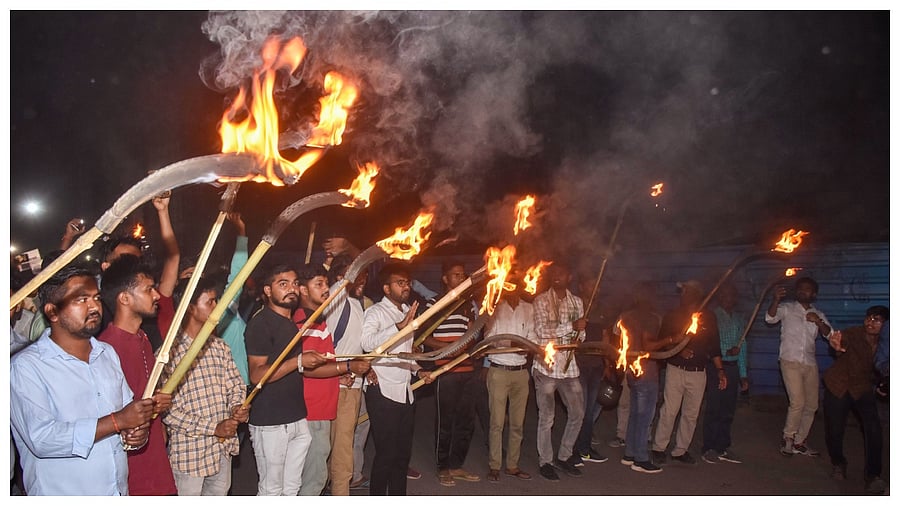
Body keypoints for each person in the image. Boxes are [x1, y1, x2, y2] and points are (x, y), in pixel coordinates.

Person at [10, 265, 155, 495]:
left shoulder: (106, 354)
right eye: (81, 299)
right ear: (52, 312)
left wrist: (136, 433)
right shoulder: (26, 367)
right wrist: (117, 422)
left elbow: (128, 413)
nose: (94, 306)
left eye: (96, 297)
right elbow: (42, 438)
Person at [243, 263, 329, 496]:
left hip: (297, 417)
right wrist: (299, 362)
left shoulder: (291, 323)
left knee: (292, 488)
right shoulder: (260, 323)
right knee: (271, 490)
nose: (291, 289)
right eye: (283, 284)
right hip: (271, 421)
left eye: (294, 283)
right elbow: (257, 374)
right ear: (268, 290)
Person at [162, 276, 250, 495]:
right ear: (191, 308)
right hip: (190, 454)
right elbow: (168, 412)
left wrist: (236, 407)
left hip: (221, 447)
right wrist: (214, 428)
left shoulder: (220, 347)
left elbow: (236, 385)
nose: (216, 306)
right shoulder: (170, 355)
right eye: (210, 301)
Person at [98, 254, 177, 495]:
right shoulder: (106, 349)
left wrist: (158, 404)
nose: (156, 296)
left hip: (155, 460)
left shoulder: (143, 339)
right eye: (149, 289)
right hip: (132, 472)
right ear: (124, 298)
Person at [294, 263, 371, 496]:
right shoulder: (309, 319)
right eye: (319, 284)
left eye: (326, 284)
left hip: (329, 397)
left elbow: (324, 358)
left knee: (320, 466)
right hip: (315, 405)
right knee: (316, 473)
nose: (325, 288)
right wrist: (345, 367)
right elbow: (307, 366)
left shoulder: (321, 319)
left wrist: (341, 370)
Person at [361, 262, 434, 495]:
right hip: (382, 391)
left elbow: (403, 352)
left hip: (405, 392)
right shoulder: (375, 313)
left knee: (402, 454)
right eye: (399, 283)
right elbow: (367, 344)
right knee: (386, 454)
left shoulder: (405, 312)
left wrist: (417, 370)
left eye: (407, 283)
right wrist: (399, 327)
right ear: (386, 288)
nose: (406, 287)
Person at [651, 280, 726, 467]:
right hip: (676, 370)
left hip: (699, 372)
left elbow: (714, 346)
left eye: (687, 291)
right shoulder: (672, 316)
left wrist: (720, 370)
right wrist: (678, 348)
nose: (683, 295)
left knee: (691, 414)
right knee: (669, 410)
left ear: (697, 294)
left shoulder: (708, 317)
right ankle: (658, 448)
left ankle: (680, 450)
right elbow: (661, 342)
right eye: (682, 292)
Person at [422, 259, 482, 486]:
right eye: (456, 275)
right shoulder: (434, 303)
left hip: (467, 369)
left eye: (462, 274)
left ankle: (457, 465)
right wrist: (445, 348)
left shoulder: (467, 304)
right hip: (444, 371)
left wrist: (469, 341)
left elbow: (473, 333)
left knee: (466, 421)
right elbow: (422, 336)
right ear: (445, 278)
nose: (460, 278)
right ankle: (442, 467)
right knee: (445, 421)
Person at [822, 305, 887, 495]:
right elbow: (841, 343)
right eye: (868, 318)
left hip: (862, 388)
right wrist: (837, 345)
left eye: (876, 320)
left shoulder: (887, 342)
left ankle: (873, 476)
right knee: (834, 428)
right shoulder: (854, 333)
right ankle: (838, 463)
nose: (870, 323)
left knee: (874, 429)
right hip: (838, 385)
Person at [530, 261, 586, 480]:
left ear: (569, 277)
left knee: (577, 413)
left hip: (569, 368)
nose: (556, 276)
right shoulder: (542, 300)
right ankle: (545, 461)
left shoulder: (577, 302)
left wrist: (579, 332)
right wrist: (571, 328)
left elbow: (581, 337)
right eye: (553, 273)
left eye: (561, 272)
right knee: (547, 417)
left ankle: (564, 456)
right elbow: (543, 332)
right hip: (546, 367)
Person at [765, 276, 832, 457]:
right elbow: (770, 318)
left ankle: (800, 442)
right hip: (790, 361)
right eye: (800, 288)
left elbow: (830, 335)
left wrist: (818, 321)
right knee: (798, 402)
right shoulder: (787, 308)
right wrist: (776, 299)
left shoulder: (818, 314)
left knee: (812, 405)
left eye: (807, 289)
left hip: (809, 363)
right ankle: (787, 439)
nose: (803, 291)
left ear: (814, 294)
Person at [323, 252, 373, 495]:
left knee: (338, 448)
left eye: (365, 274)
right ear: (343, 276)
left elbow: (358, 345)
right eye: (358, 273)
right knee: (337, 450)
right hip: (336, 385)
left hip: (352, 386)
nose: (363, 278)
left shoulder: (356, 304)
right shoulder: (336, 296)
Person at [483, 270, 534, 482]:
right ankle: (494, 465)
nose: (512, 288)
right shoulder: (493, 308)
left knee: (517, 423)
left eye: (516, 284)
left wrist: (521, 345)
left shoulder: (529, 309)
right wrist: (516, 343)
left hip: (521, 373)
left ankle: (512, 465)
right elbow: (489, 340)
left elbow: (533, 339)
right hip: (498, 371)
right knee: (496, 422)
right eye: (509, 284)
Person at [616, 282, 665, 473]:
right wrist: (671, 340)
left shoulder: (625, 317)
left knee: (635, 414)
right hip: (646, 371)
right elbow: (649, 345)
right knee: (644, 417)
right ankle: (641, 458)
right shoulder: (651, 318)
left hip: (631, 370)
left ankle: (629, 453)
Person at [701, 282, 746, 464]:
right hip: (716, 367)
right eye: (725, 295)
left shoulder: (738, 319)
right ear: (719, 298)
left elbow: (742, 347)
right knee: (714, 407)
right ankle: (708, 447)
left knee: (728, 410)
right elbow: (708, 343)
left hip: (733, 368)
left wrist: (743, 374)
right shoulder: (713, 317)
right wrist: (726, 350)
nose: (729, 299)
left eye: (732, 296)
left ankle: (722, 447)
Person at [572, 274, 611, 465]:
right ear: (581, 287)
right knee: (582, 410)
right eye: (589, 284)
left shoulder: (601, 309)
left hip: (596, 366)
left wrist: (607, 364)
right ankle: (578, 449)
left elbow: (605, 338)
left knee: (590, 409)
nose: (595, 288)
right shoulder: (576, 306)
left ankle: (583, 446)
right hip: (579, 365)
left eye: (596, 285)